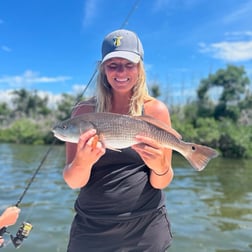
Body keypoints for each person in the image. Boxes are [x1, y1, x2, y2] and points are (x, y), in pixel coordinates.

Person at [63, 29, 174, 252]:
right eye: (113, 65)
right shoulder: (83, 113)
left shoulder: (156, 110)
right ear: (102, 69)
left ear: (140, 67)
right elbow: (74, 182)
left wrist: (160, 166)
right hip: (92, 228)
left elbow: (161, 182)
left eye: (129, 64)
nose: (121, 71)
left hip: (146, 229)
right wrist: (82, 162)